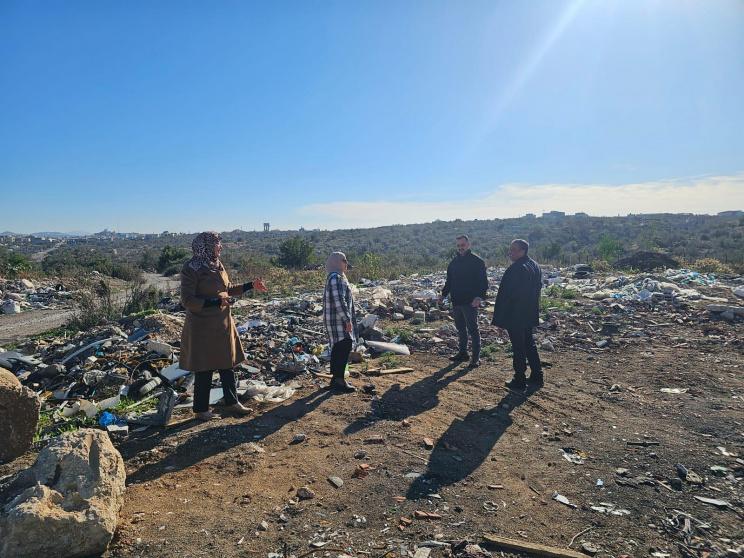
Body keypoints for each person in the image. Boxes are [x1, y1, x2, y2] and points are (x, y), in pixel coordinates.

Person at [180, 232, 267, 420]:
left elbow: (227, 289)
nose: (220, 247)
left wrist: (251, 285)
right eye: (217, 244)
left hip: (222, 324)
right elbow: (187, 300)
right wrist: (215, 302)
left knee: (227, 364)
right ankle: (201, 410)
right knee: (204, 367)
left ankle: (232, 402)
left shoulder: (217, 265)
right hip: (202, 326)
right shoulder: (191, 268)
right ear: (206, 246)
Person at [491, 239, 543, 389]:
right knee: (529, 344)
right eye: (510, 249)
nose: (510, 252)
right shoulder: (534, 265)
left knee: (518, 347)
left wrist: (501, 319)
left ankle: (519, 379)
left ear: (522, 251)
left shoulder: (517, 269)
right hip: (529, 313)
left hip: (515, 314)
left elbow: (507, 296)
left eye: (513, 249)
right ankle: (537, 375)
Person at [440, 235, 488, 368]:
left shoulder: (477, 262)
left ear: (468, 245)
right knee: (460, 328)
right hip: (456, 300)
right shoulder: (454, 263)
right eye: (458, 245)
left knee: (473, 329)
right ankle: (463, 353)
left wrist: (479, 297)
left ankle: (475, 358)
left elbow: (483, 283)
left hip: (470, 302)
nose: (460, 248)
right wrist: (443, 295)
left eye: (463, 245)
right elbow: (449, 281)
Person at [322, 251, 357, 393]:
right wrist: (347, 319)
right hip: (339, 321)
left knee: (338, 348)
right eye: (344, 260)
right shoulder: (336, 278)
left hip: (335, 320)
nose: (346, 263)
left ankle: (335, 379)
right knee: (343, 347)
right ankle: (340, 381)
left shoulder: (335, 277)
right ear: (336, 262)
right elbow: (339, 300)